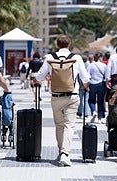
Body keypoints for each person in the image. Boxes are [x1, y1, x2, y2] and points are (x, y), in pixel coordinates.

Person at [33, 34, 90, 166]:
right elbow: (85, 79)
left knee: (59, 126)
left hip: (56, 97)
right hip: (72, 96)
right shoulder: (76, 58)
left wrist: (35, 81)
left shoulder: (49, 58)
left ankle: (61, 152)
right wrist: (85, 88)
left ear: (57, 45)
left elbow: (40, 76)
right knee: (69, 125)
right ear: (69, 45)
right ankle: (65, 153)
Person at [87, 52, 107, 124]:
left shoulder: (90, 65)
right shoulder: (104, 66)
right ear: (100, 57)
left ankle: (93, 111)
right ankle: (100, 118)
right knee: (100, 101)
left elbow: (88, 76)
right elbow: (106, 76)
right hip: (101, 84)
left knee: (91, 100)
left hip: (92, 84)